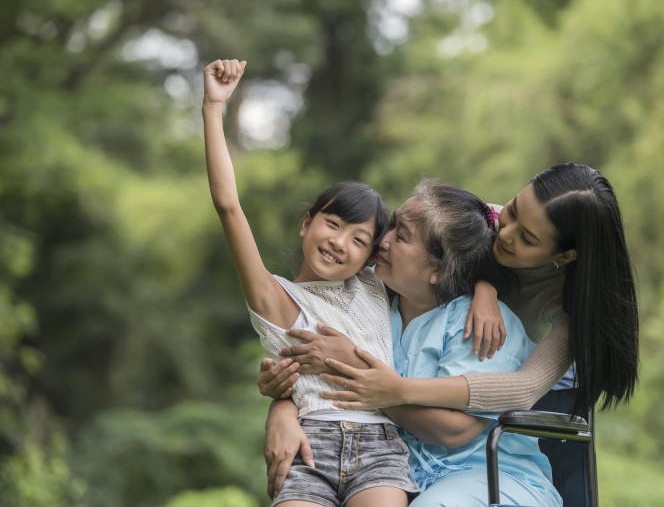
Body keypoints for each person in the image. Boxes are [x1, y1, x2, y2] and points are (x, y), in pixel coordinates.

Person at [260, 163, 639, 497]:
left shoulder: (566, 310)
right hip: (405, 444)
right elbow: (312, 344)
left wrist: (392, 388)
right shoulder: (475, 227)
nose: (504, 235)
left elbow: (521, 390)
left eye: (527, 239)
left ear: (565, 256)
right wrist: (284, 405)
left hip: (501, 417)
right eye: (512, 210)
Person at [202, 58, 418, 507]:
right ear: (307, 223)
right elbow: (228, 206)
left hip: (380, 445)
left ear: (371, 254)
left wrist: (486, 290)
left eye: (359, 239)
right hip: (307, 447)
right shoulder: (276, 298)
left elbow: (471, 230)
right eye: (333, 223)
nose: (339, 243)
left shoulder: (377, 287)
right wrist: (213, 107)